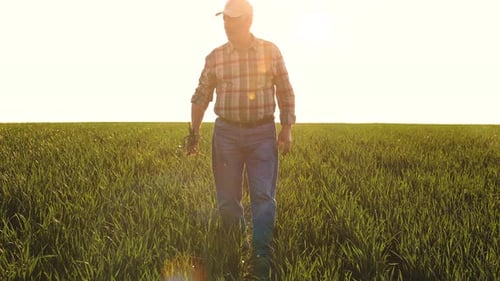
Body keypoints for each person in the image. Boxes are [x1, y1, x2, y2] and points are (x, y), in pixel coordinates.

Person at [187, 0, 295, 279]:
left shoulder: (270, 52)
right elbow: (201, 96)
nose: (227, 26)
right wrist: (194, 133)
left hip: (262, 133)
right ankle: (235, 250)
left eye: (232, 21)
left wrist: (287, 129)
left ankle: (261, 258)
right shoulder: (215, 57)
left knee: (262, 196)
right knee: (227, 200)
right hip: (226, 135)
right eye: (225, 21)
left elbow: (285, 91)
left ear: (248, 21)